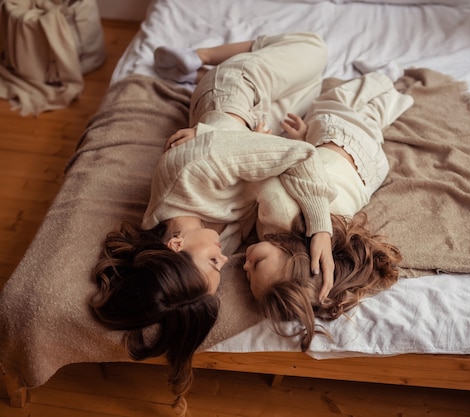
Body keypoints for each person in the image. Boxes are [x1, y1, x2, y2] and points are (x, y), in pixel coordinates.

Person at [89, 32, 335, 416]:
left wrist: (321, 228)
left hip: (236, 89)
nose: (227, 261)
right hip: (248, 126)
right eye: (220, 269)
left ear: (174, 245)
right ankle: (208, 71)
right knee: (317, 90)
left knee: (315, 48)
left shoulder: (191, 172)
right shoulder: (200, 236)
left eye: (212, 263)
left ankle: (202, 56)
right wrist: (252, 144)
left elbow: (301, 157)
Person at [243, 72, 412, 350]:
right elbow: (268, 163)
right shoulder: (279, 213)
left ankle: (396, 98)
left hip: (372, 169)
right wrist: (263, 140)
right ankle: (385, 77)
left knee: (373, 120)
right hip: (342, 140)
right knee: (332, 100)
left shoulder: (336, 239)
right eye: (255, 265)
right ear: (293, 257)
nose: (245, 264)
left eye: (248, 273)